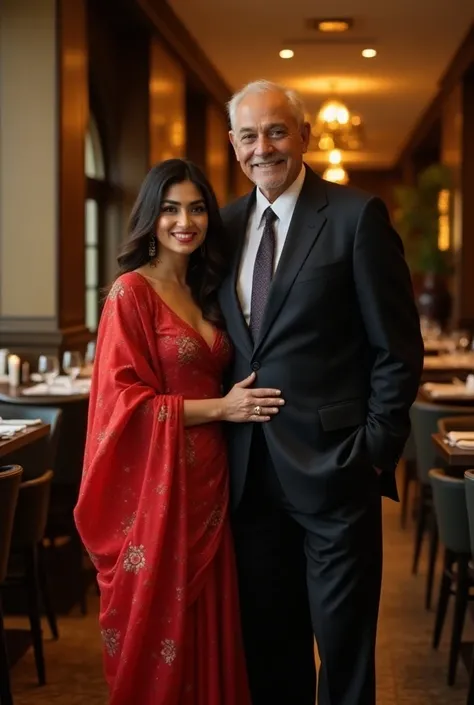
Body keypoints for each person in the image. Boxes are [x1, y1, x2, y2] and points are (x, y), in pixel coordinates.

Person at [219, 80, 424, 705]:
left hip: (337, 470)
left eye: (277, 131)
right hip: (248, 476)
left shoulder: (357, 216)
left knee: (343, 651)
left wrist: (372, 451)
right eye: (249, 136)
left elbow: (398, 349)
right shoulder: (221, 227)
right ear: (233, 144)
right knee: (269, 651)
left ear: (304, 136)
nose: (264, 148)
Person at [74, 158, 285, 705]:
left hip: (212, 486)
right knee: (158, 635)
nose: (184, 221)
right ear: (151, 216)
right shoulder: (130, 294)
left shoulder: (209, 292)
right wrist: (224, 408)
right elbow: (125, 406)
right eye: (170, 209)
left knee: (212, 627)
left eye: (195, 208)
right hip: (157, 492)